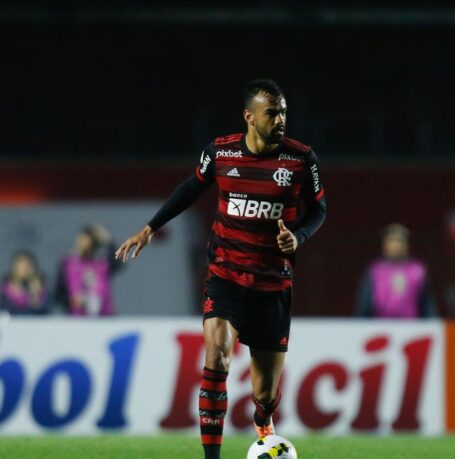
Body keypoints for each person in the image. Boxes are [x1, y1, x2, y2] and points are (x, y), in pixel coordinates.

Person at [115, 80, 326, 459]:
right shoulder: (221, 152)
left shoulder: (300, 159)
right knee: (217, 356)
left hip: (272, 284)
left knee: (264, 393)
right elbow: (190, 188)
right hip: (225, 276)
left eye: (283, 113)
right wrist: (150, 228)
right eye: (272, 113)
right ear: (250, 116)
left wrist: (299, 237)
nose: (280, 120)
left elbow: (319, 209)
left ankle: (264, 421)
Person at [355, 223, 437, 318]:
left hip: (412, 328)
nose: (396, 245)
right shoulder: (375, 271)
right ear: (384, 245)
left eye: (399, 241)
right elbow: (364, 305)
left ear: (407, 245)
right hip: (380, 327)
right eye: (391, 241)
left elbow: (428, 306)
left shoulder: (418, 270)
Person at [56, 224, 122, 316]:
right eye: (80, 239)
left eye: (86, 240)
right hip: (76, 319)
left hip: (104, 317)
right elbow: (59, 292)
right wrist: (70, 301)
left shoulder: (102, 263)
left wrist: (108, 241)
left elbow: (120, 262)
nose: (81, 243)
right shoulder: (68, 263)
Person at [1, 251, 51, 315]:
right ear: (14, 268)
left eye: (27, 266)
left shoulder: (42, 287)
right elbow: (5, 311)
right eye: (21, 267)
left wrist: (36, 299)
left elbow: (46, 311)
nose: (24, 270)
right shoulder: (5, 289)